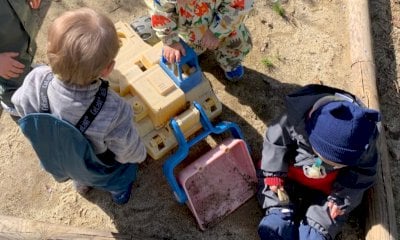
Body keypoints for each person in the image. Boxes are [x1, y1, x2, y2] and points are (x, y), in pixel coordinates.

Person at [11, 8, 147, 205]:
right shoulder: (114, 109)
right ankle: (118, 192)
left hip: (57, 161)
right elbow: (129, 152)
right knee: (122, 173)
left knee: (76, 165)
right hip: (97, 169)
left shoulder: (36, 78)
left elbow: (19, 105)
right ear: (107, 69)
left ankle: (80, 183)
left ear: (50, 55)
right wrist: (140, 154)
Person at [257, 84, 381, 240]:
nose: (327, 163)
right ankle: (279, 211)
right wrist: (273, 173)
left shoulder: (363, 145)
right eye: (324, 158)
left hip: (329, 186)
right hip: (291, 172)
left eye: (338, 164)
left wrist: (342, 199)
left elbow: (363, 174)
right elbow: (275, 143)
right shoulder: (295, 122)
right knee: (271, 183)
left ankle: (315, 227)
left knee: (332, 214)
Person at [150, 0, 254, 82]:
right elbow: (160, 11)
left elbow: (239, 8)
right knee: (183, 55)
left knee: (239, 43)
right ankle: (192, 56)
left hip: (224, 24)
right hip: (188, 31)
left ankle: (230, 62)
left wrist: (217, 32)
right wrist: (170, 40)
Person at [0, 0, 41, 117]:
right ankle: (14, 106)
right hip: (6, 67)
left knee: (23, 59)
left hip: (20, 34)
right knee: (12, 79)